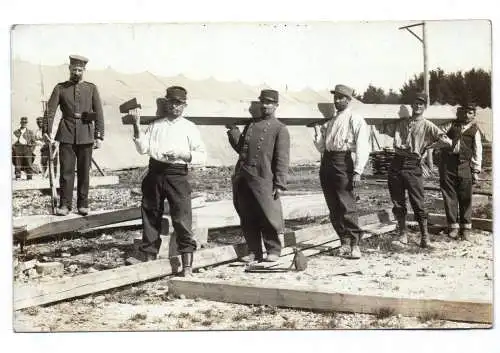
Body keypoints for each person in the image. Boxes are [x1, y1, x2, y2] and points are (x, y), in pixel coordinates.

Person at [128, 86, 206, 277]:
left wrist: (182, 154)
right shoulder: (156, 125)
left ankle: (187, 265)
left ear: (184, 106)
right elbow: (142, 148)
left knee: (182, 217)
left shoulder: (189, 127)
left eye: (179, 103)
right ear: (166, 103)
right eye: (171, 102)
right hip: (155, 172)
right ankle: (149, 262)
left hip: (177, 175)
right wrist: (136, 125)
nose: (175, 107)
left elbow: (202, 156)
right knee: (150, 215)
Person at [226, 90, 290, 264]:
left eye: (269, 103)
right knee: (247, 216)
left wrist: (279, 183)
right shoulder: (252, 125)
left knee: (268, 214)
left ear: (276, 105)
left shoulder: (280, 128)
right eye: (263, 102)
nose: (265, 105)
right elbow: (242, 149)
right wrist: (232, 130)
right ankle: (254, 251)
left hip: (264, 178)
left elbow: (282, 158)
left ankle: (273, 250)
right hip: (244, 176)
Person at [385, 92, 452, 248]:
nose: (418, 106)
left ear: (425, 107)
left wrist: (429, 146)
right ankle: (403, 234)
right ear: (411, 106)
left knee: (418, 202)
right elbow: (383, 127)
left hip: (412, 165)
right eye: (415, 103)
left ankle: (424, 237)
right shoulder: (401, 123)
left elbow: (447, 142)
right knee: (398, 202)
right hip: (396, 163)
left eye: (421, 104)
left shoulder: (427, 125)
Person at [311, 84, 370, 259]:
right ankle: (343, 241)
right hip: (327, 162)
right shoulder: (331, 121)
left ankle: (355, 244)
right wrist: (317, 132)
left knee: (346, 204)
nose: (337, 100)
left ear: (348, 100)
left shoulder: (355, 118)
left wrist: (358, 170)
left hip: (343, 162)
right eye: (335, 97)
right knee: (333, 205)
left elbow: (362, 146)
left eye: (341, 97)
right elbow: (322, 148)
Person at [43, 54, 104, 216]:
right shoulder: (60, 88)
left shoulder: (91, 88)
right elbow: (50, 111)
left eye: (80, 69)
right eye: (74, 69)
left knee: (84, 172)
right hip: (66, 134)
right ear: (69, 69)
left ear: (84, 70)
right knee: (66, 172)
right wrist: (46, 131)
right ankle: (65, 205)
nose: (77, 72)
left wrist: (98, 135)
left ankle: (83, 204)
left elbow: (98, 112)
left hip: (86, 134)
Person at [438, 102, 482, 241]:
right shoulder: (451, 125)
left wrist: (475, 170)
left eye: (470, 113)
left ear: (474, 115)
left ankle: (466, 228)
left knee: (465, 197)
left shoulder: (475, 131)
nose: (466, 115)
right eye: (464, 112)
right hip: (448, 165)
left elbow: (477, 151)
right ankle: (453, 227)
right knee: (450, 196)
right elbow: (436, 133)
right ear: (459, 113)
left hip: (465, 165)